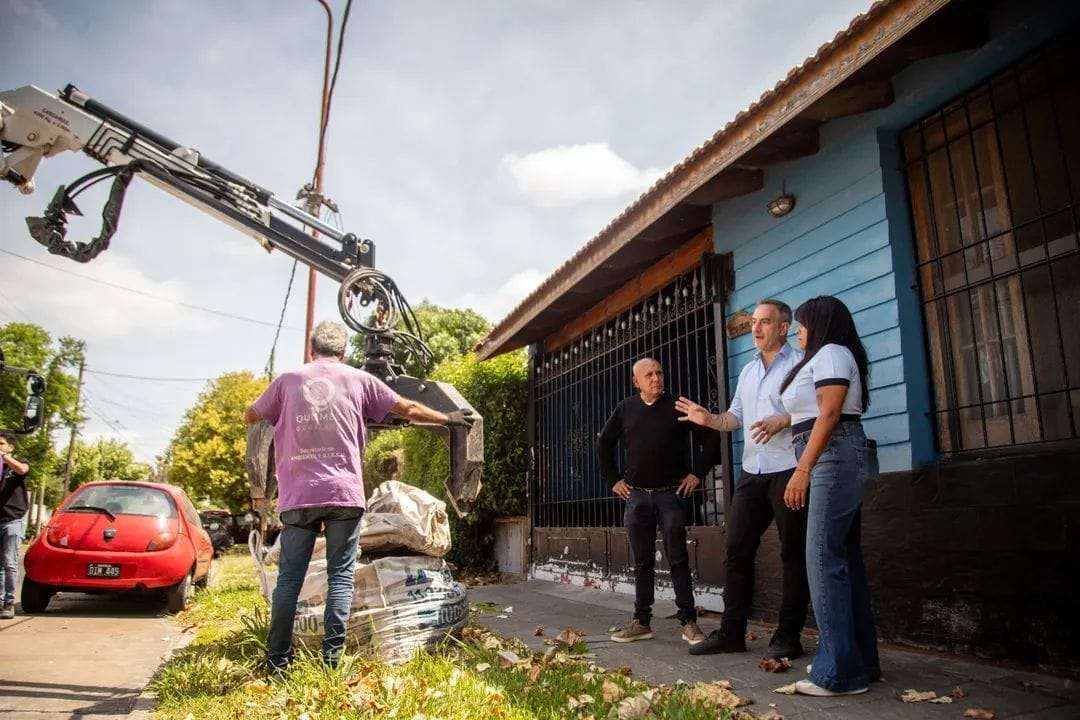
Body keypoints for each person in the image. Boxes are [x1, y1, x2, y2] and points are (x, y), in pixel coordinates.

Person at [244, 320, 470, 673]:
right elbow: (409, 410)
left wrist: (277, 410)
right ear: (345, 350)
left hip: (298, 495)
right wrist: (450, 418)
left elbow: (250, 415)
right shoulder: (361, 380)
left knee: (289, 580)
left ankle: (277, 663)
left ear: (311, 347)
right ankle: (331, 662)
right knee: (341, 577)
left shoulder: (287, 381)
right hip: (344, 495)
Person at [675, 299, 810, 660]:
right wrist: (710, 420)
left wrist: (783, 420)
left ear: (783, 328)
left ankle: (788, 636)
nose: (756, 328)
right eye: (753, 322)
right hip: (752, 472)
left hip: (789, 469)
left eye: (765, 322)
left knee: (792, 555)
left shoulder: (801, 364)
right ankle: (731, 633)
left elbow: (818, 412)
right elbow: (734, 416)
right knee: (736, 551)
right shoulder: (748, 371)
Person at [777, 295, 879, 696]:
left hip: (831, 453)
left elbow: (830, 412)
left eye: (801, 323)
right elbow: (811, 409)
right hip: (827, 451)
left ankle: (838, 674)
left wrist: (802, 469)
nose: (797, 330)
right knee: (843, 560)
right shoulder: (824, 357)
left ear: (819, 323)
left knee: (821, 557)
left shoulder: (833, 352)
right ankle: (861, 665)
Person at [597, 357, 719, 646]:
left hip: (671, 496)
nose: (656, 378)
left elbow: (711, 440)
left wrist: (697, 474)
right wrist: (613, 479)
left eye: (659, 373)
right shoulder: (626, 409)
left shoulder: (677, 406)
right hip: (636, 497)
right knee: (642, 562)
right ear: (636, 381)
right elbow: (604, 442)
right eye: (649, 375)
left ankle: (689, 622)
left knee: (678, 559)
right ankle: (641, 622)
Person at [0, 431, 30, 620]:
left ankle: (9, 602)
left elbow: (22, 470)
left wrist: (5, 457)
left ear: (11, 447)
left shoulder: (17, 462)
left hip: (12, 520)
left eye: (1, 443)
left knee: (10, 562)